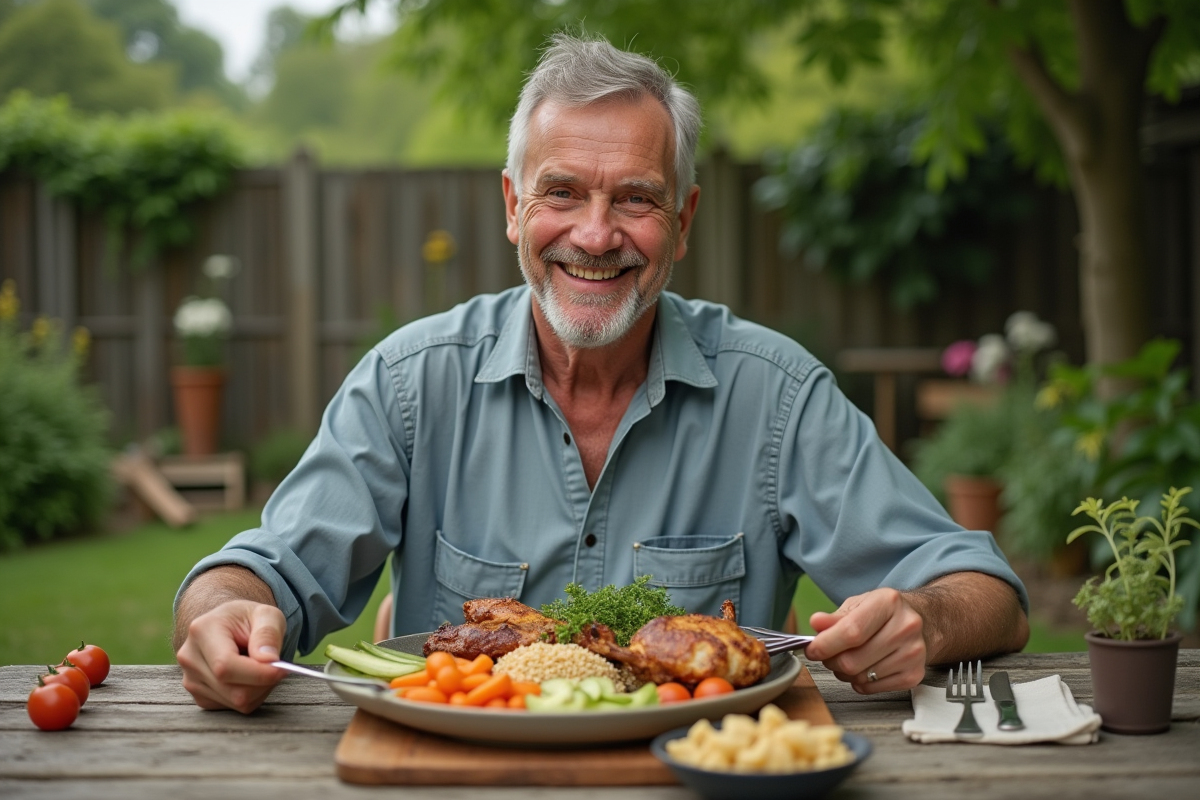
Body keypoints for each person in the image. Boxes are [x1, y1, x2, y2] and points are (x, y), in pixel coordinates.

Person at [173, 33, 1029, 714]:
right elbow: (264, 571)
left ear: (683, 221)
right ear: (512, 207)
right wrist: (222, 615)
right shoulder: (409, 383)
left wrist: (924, 619)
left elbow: (988, 591)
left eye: (635, 198)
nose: (594, 234)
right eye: (562, 193)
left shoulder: (776, 396)